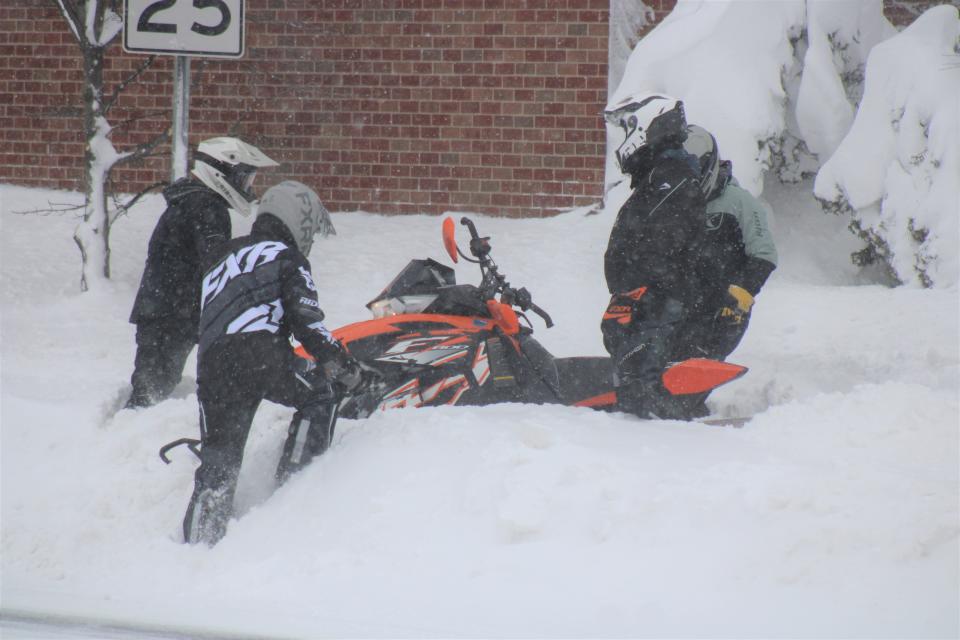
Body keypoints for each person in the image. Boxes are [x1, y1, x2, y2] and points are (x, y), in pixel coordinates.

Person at [183, 180, 371, 546]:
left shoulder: (218, 258)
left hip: (211, 368)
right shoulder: (286, 257)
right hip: (260, 357)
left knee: (218, 462)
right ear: (297, 219)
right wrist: (345, 369)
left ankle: (198, 544)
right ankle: (294, 494)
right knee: (321, 394)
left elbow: (198, 316)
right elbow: (308, 324)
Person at [601, 93, 777, 420]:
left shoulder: (738, 203)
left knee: (685, 366)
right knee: (666, 362)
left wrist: (741, 292)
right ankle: (676, 408)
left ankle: (682, 418)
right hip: (686, 301)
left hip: (723, 305)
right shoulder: (673, 197)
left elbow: (764, 254)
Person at [126, 137, 278, 409]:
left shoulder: (191, 200)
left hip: (169, 311)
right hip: (172, 315)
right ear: (224, 170)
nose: (247, 187)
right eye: (245, 178)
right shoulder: (206, 207)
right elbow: (218, 262)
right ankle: (117, 444)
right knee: (150, 395)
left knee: (155, 387)